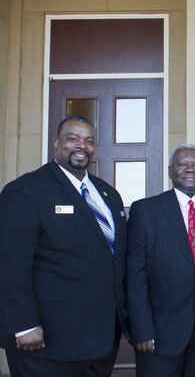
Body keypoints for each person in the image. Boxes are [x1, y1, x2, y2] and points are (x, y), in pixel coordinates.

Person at [0, 116, 127, 377]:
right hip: (47, 341)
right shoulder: (26, 191)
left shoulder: (108, 195)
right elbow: (10, 263)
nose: (82, 146)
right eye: (73, 139)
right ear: (57, 144)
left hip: (100, 339)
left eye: (89, 141)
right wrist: (22, 324)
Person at [126, 144, 195, 376]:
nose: (190, 169)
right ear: (170, 170)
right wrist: (141, 329)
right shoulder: (145, 211)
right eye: (182, 164)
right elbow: (134, 277)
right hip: (160, 334)